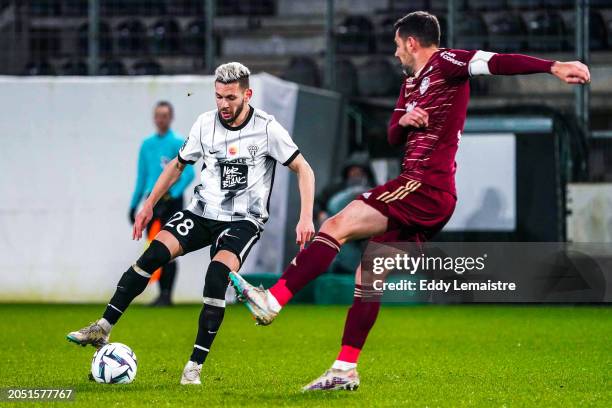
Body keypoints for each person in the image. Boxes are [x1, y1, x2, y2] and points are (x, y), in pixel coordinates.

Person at [229, 11, 590, 391]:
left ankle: (274, 300)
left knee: (336, 225)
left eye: (397, 44)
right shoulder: (410, 84)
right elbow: (391, 136)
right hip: (430, 194)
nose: (394, 51)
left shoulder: (449, 63)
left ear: (411, 43)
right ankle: (344, 369)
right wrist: (404, 122)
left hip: (423, 186)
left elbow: (497, 62)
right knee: (368, 276)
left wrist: (553, 66)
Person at [66, 62, 316, 385]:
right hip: (201, 212)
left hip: (243, 221)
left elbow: (304, 168)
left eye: (230, 97)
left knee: (216, 276)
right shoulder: (205, 124)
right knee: (152, 256)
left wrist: (306, 215)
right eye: (218, 97)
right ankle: (102, 327)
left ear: (247, 94)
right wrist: (149, 204)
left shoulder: (267, 128)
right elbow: (177, 166)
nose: (223, 105)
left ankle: (193, 368)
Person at [130, 101, 195, 306]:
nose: (161, 119)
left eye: (165, 115)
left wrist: (171, 194)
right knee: (154, 248)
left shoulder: (177, 142)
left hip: (172, 201)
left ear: (171, 118)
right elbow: (142, 176)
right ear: (154, 118)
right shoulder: (147, 145)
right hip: (153, 199)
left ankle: (167, 294)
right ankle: (161, 294)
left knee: (170, 247)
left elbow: (189, 173)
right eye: (158, 115)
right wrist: (134, 204)